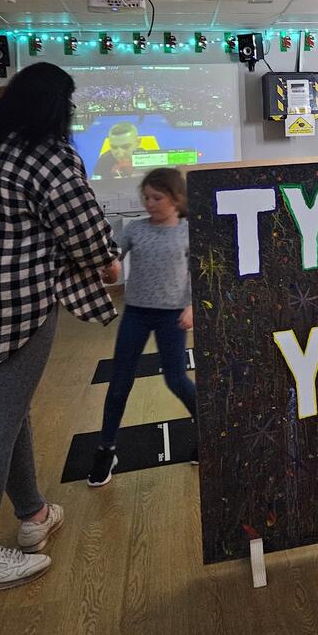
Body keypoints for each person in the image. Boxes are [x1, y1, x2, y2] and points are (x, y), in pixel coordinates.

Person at [0, 63, 119, 597]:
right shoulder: (47, 156)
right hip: (16, 308)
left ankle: (32, 514)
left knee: (7, 410)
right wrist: (107, 261)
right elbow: (85, 233)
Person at [88, 168, 196, 486]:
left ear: (176, 199)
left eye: (156, 198)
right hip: (136, 313)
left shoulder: (189, 231)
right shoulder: (135, 229)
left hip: (172, 315)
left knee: (176, 379)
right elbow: (112, 260)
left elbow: (200, 271)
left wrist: (192, 307)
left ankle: (209, 429)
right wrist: (108, 268)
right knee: (119, 382)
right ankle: (106, 449)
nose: (149, 203)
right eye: (146, 197)